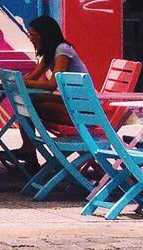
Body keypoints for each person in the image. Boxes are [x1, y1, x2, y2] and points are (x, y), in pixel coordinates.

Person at [13, 14, 91, 167]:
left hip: (83, 109)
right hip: (72, 103)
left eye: (34, 36)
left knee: (29, 106)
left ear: (45, 35)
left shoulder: (62, 50)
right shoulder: (50, 52)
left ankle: (30, 150)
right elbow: (34, 77)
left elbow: (51, 85)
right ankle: (28, 149)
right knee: (26, 102)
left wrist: (19, 82)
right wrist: (18, 81)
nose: (31, 39)